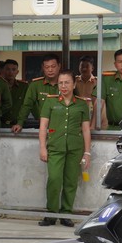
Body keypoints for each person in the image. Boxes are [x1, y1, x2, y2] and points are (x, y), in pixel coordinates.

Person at [39, 70, 93, 226]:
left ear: (74, 84)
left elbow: (85, 130)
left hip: (75, 149)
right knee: (54, 179)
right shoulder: (50, 102)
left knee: (71, 181)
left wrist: (87, 152)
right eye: (60, 83)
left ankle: (65, 213)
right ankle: (51, 213)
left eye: (67, 82)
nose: (63, 86)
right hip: (55, 147)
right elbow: (43, 126)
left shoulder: (82, 104)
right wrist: (43, 147)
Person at [11, 54, 61, 132]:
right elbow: (27, 105)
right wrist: (20, 123)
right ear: (43, 68)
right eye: (47, 67)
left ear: (59, 66)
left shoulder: (66, 84)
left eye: (53, 66)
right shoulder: (35, 85)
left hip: (64, 127)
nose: (50, 70)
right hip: (44, 127)